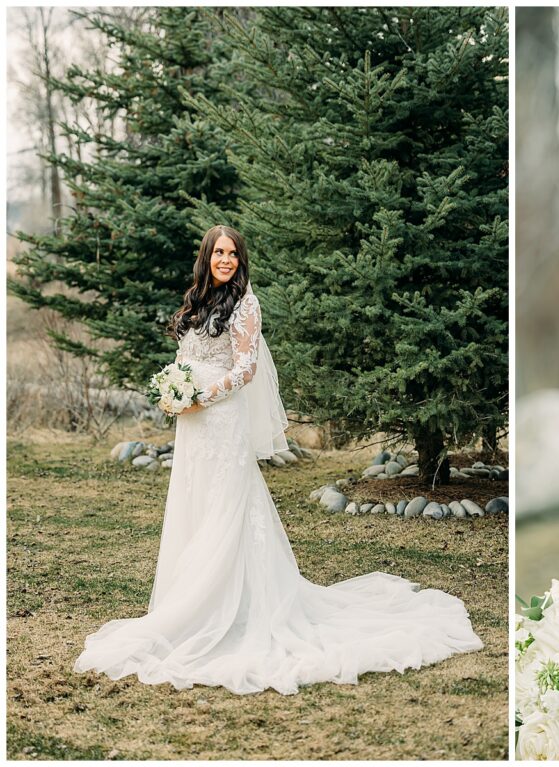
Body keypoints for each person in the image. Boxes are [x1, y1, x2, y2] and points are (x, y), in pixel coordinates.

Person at [74, 225, 483, 695]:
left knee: (227, 510)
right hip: (193, 427)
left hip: (221, 420)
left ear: (240, 259)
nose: (225, 260)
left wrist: (199, 396)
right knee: (195, 506)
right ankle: (187, 604)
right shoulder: (196, 301)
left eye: (232, 254)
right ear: (206, 257)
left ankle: (226, 608)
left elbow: (245, 369)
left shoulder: (246, 304)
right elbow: (188, 359)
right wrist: (175, 393)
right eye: (218, 253)